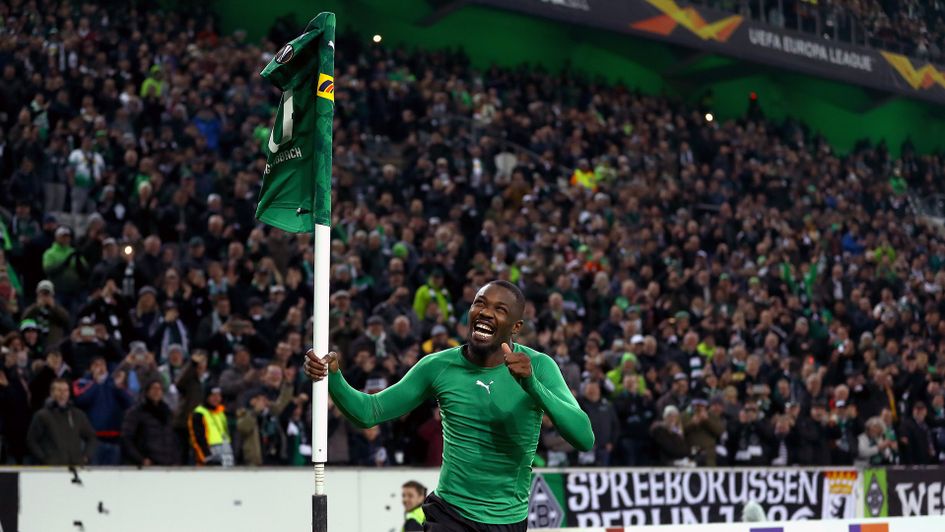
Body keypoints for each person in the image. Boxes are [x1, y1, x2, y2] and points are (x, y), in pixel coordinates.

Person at [305, 280, 593, 531]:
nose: (486, 313)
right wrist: (334, 378)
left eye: (500, 310)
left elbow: (584, 438)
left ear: (516, 327)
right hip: (450, 513)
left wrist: (532, 385)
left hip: (508, 520)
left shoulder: (539, 367)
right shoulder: (438, 366)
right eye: (480, 303)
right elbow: (370, 412)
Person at [26, 378, 97, 465]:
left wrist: (86, 457)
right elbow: (32, 440)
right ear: (52, 393)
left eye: (66, 390)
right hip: (52, 469)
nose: (63, 394)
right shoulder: (42, 415)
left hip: (75, 467)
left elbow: (91, 437)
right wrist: (44, 459)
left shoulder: (77, 414)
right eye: (59, 390)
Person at [120, 379, 180, 466]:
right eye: (153, 388)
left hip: (168, 464)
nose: (157, 392)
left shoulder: (167, 413)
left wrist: (176, 459)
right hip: (146, 465)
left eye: (159, 389)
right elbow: (126, 438)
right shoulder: (136, 413)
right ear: (147, 391)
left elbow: (173, 439)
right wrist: (140, 459)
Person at [188, 386, 234, 466]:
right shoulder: (199, 414)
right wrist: (206, 458)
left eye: (218, 395)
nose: (216, 398)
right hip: (210, 454)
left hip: (225, 454)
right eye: (213, 396)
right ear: (207, 397)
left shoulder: (221, 413)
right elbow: (197, 439)